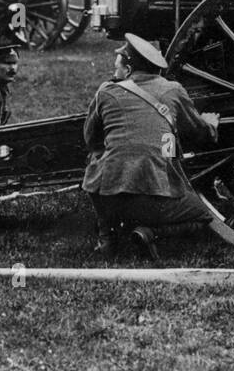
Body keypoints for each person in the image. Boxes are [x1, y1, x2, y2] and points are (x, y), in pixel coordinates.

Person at [81, 33, 220, 257]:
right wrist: (211, 124)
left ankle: (107, 238)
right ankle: (148, 232)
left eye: (116, 65)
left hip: (104, 194)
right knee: (203, 215)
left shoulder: (105, 91)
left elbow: (90, 140)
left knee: (101, 161)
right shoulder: (173, 90)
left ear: (128, 68)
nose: (114, 70)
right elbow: (199, 131)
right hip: (151, 195)